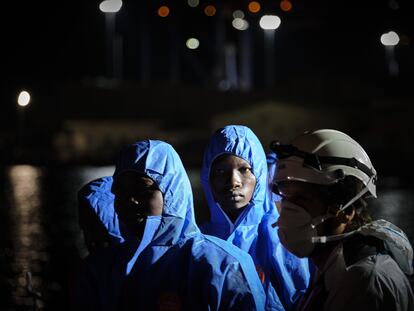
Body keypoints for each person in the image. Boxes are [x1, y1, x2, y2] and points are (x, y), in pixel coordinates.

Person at [72, 139, 266, 311]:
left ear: (171, 193)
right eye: (121, 191)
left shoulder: (222, 266)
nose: (130, 200)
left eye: (143, 190)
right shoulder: (100, 269)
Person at [269, 128, 414, 311]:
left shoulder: (366, 282)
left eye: (301, 200)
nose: (288, 211)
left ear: (345, 210)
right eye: (285, 198)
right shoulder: (333, 267)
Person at [200, 125, 311, 310]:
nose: (233, 182)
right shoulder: (196, 242)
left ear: (260, 174)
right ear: (207, 177)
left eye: (244, 169)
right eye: (220, 171)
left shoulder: (282, 239)